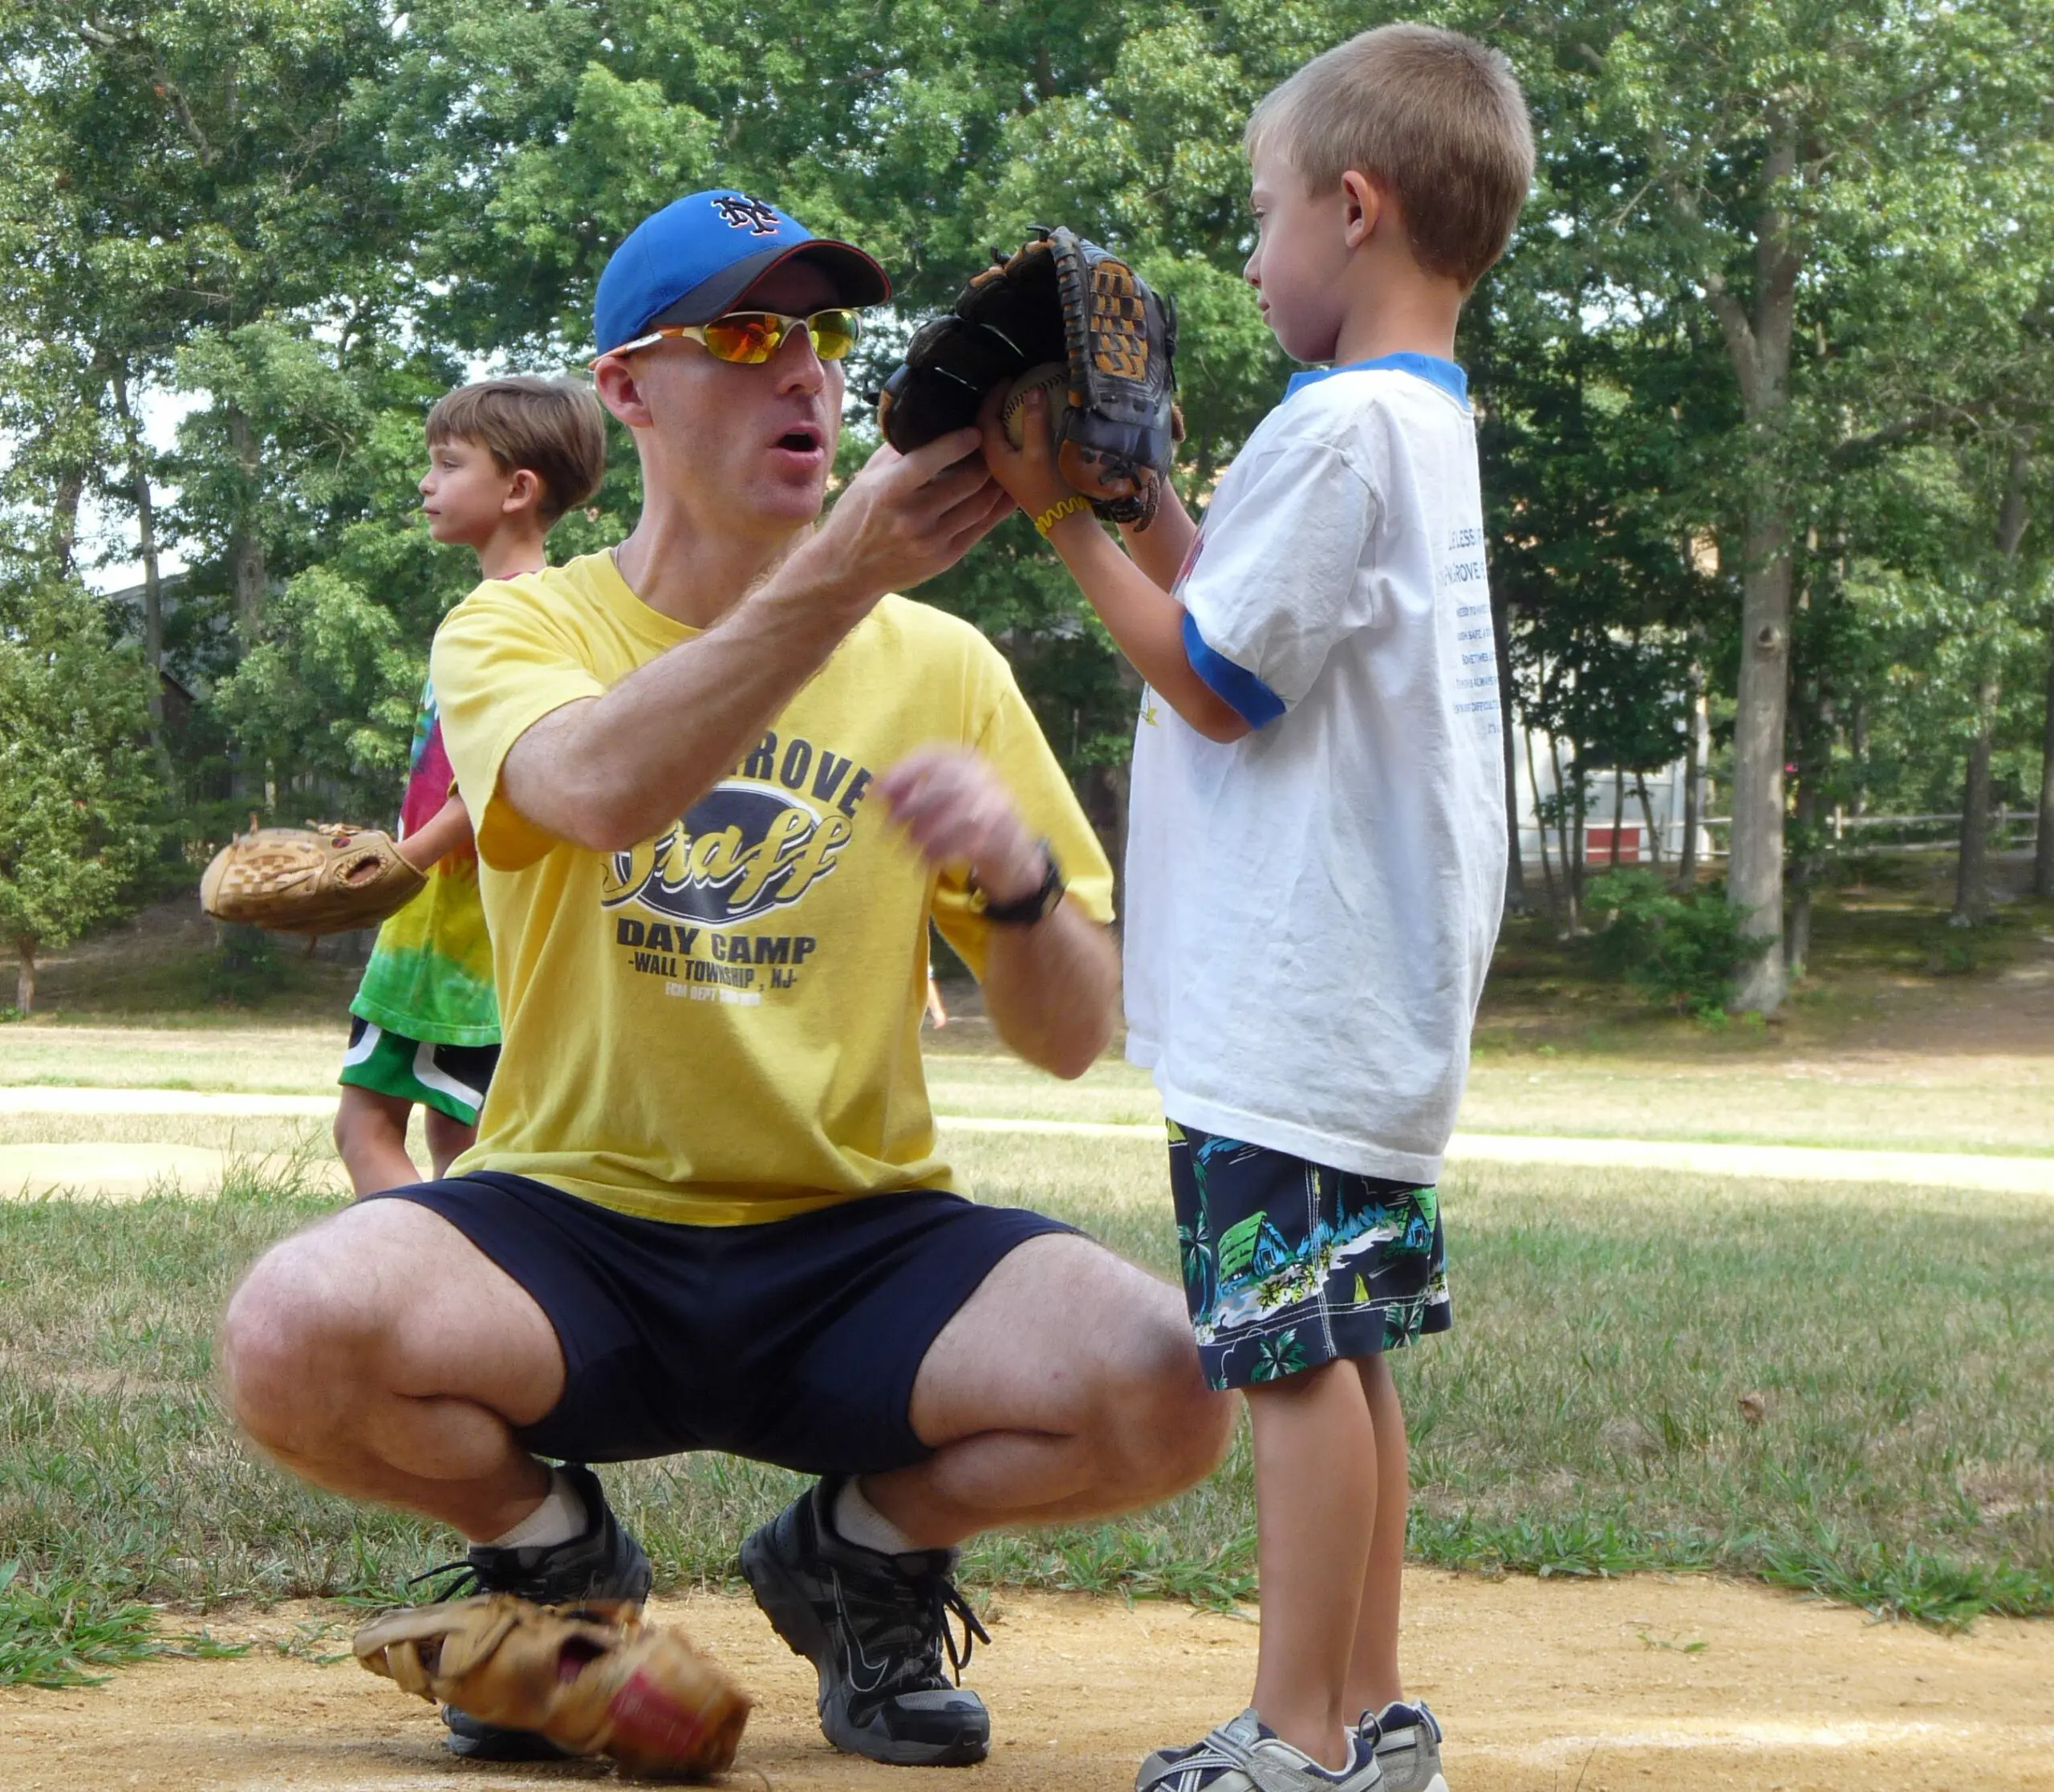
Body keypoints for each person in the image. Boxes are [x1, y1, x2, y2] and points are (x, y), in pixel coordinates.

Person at [220, 189, 1232, 1770]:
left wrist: (1022, 886)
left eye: (825, 340)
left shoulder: (944, 667)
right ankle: (555, 1568)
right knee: (291, 1327)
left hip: (854, 1239)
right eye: (752, 336)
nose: (809, 378)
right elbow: (593, 789)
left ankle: (858, 1563)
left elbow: (1071, 1034)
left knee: (1172, 1385)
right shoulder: (516, 627)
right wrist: (831, 580)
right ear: (623, 387)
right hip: (566, 1228)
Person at [979, 27, 1532, 1792]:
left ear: (1352, 207)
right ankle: (1370, 1718)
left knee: (1286, 1361)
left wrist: (1055, 515)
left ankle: (1289, 1732)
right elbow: (1243, 595)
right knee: (1342, 1347)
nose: (1244, 255)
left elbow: (1214, 678)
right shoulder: (1416, 424)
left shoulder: (1337, 424)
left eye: (1263, 213)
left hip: (1294, 993)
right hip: (1368, 984)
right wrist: (1140, 496)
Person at [335, 377, 608, 1197]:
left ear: (518, 489)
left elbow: (491, 789)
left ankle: (437, 1295)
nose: (426, 483)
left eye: (448, 464)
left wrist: (394, 870)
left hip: (449, 929)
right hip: (475, 925)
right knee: (461, 1140)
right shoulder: (551, 610)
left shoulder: (511, 620)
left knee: (367, 1127)